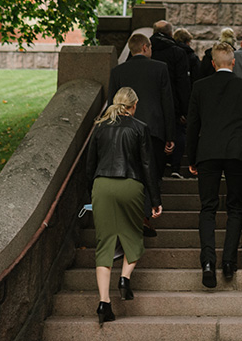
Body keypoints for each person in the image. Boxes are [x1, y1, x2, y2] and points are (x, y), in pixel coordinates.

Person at [187, 42, 242, 286]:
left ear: (213, 64)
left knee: (208, 208)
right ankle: (229, 262)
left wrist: (191, 158)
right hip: (237, 151)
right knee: (235, 207)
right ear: (233, 62)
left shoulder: (200, 87)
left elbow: (193, 125)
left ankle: (208, 262)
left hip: (208, 152)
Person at [85, 87, 162, 326]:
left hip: (102, 185)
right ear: (134, 105)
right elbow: (148, 165)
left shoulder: (99, 127)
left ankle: (104, 303)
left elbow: (89, 164)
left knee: (104, 243)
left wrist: (91, 193)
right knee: (134, 235)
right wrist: (155, 200)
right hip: (130, 184)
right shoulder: (140, 128)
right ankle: (125, 278)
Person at [109, 32, 174, 235]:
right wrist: (170, 135)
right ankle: (144, 215)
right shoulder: (160, 68)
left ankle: (130, 216)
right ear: (145, 47)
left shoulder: (118, 71)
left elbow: (111, 103)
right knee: (150, 172)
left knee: (130, 172)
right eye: (151, 47)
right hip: (154, 130)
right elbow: (167, 102)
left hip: (124, 130)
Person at [150, 21, 191, 178]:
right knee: (178, 131)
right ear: (170, 33)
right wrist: (185, 109)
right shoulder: (177, 52)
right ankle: (175, 166)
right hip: (173, 101)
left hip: (151, 101)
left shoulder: (147, 49)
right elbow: (182, 82)